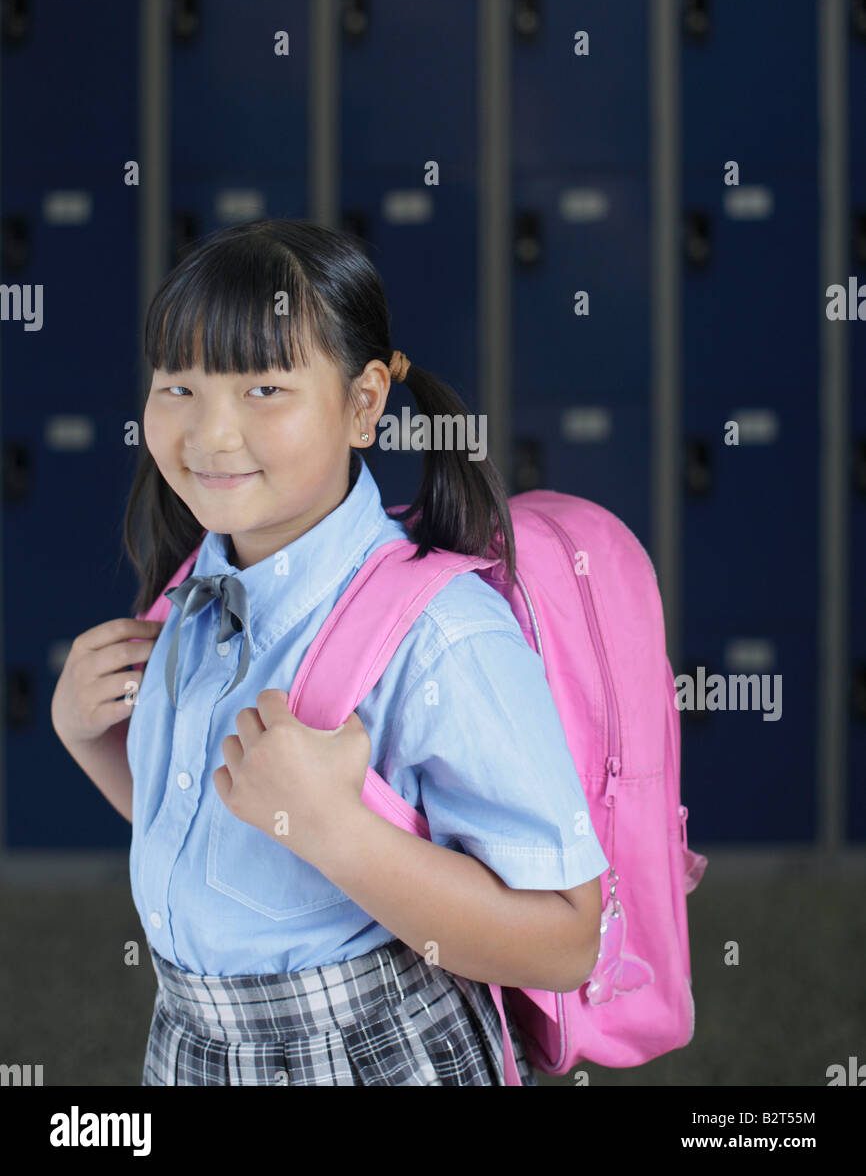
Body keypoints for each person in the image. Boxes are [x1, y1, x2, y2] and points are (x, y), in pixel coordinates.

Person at [51, 218, 609, 1086]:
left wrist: (335, 831)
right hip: (193, 1047)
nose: (211, 435)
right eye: (179, 386)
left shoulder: (440, 636)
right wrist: (90, 739)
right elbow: (230, 847)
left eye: (263, 388)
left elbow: (567, 939)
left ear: (363, 404)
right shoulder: (188, 602)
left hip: (363, 1055)